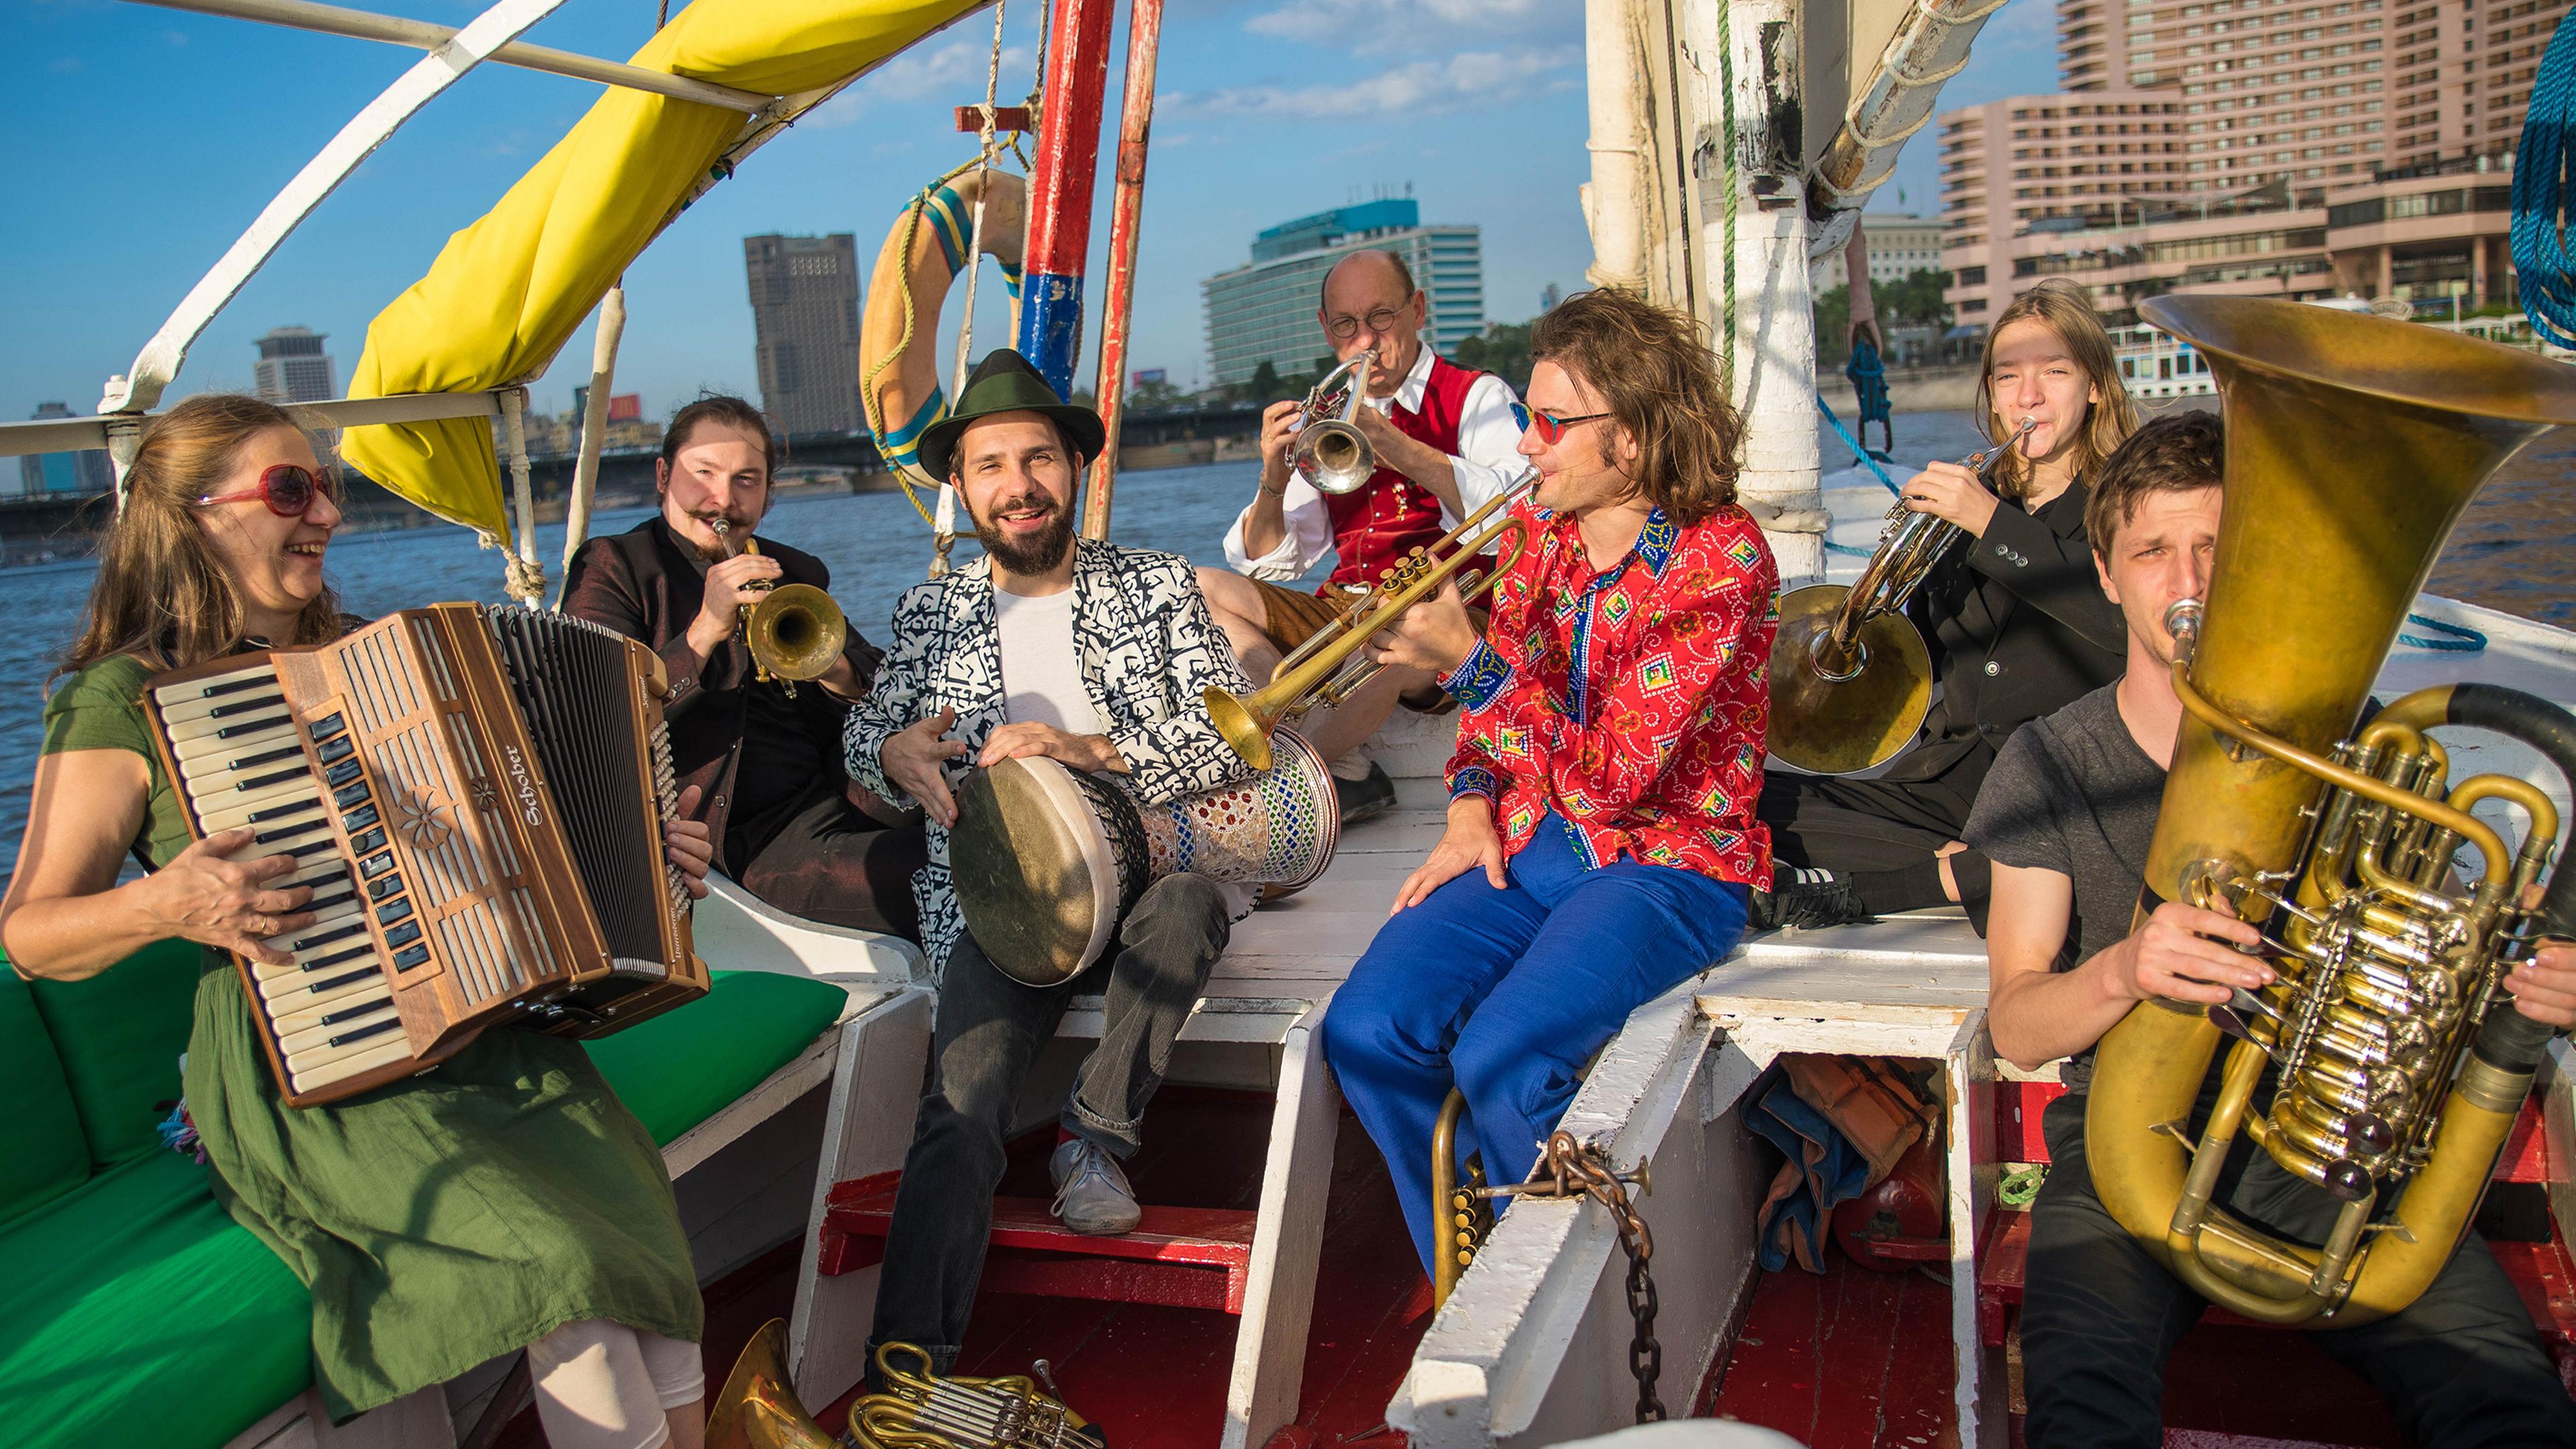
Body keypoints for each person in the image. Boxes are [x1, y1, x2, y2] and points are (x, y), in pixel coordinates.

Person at [0, 394, 723, 1448]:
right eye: (290, 488)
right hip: (312, 1060)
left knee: (645, 1241)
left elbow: (517, 845)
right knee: (569, 1270)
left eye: (328, 486)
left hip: (480, 1034)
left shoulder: (384, 657)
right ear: (192, 514)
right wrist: (166, 902)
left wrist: (646, 860)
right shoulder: (124, 696)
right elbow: (31, 933)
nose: (327, 512)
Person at [1966, 410, 2576, 1447]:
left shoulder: (2360, 751)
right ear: (2107, 576)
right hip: (2123, 1151)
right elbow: (2018, 1025)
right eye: (2153, 552)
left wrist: (2534, 984)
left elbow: (2438, 965)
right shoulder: (2050, 761)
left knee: (2511, 1408)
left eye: (2214, 547)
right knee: (2079, 1412)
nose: (2187, 579)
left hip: (2334, 1149)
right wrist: (2124, 970)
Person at [1320, 288, 1776, 1275]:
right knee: (1364, 1030)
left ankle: (1564, 1297)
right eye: (1529, 416)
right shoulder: (1540, 531)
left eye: (1553, 422)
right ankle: (1473, 1265)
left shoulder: (1720, 558)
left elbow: (1616, 778)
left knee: (1502, 1056)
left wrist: (1469, 662)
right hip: (1536, 840)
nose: (1527, 445)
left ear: (1640, 434)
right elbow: (1494, 731)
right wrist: (1471, 800)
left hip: (1672, 863)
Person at [845, 350, 1258, 1379]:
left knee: (1190, 905)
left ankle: (1095, 1134)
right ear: (964, 487)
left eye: (1036, 458)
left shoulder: (1155, 584)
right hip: (1004, 906)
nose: (1016, 485)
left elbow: (1227, 736)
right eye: (990, 466)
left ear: (1073, 467)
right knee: (961, 1107)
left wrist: (1085, 750)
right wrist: (893, 754)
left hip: (1149, 875)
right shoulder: (930, 613)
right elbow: (867, 739)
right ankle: (908, 1375)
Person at [1755, 276, 2141, 933]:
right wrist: (1901, 574)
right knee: (1743, 795)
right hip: (1948, 785)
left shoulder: (2129, 504)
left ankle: (1914, 882)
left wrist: (1991, 524)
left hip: (2064, 793)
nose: (2029, 396)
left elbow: (2125, 622)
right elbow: (1924, 666)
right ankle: (1975, 870)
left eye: (2055, 372)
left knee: (2080, 849)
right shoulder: (1974, 506)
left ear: (2096, 386)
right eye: (2008, 377)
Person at [564, 395, 925, 938]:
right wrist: (705, 630)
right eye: (703, 474)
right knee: (936, 874)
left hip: (845, 785)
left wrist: (835, 670)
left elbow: (879, 678)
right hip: (748, 834)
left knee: (977, 827)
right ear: (664, 475)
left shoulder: (792, 569)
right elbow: (594, 714)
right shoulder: (616, 567)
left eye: (746, 481)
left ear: (768, 495)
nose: (723, 501)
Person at [1197, 248, 1528, 823]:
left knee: (1402, 632)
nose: (1364, 341)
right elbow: (1270, 563)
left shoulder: (1479, 397)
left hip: (1450, 614)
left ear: (1417, 310)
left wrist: (1394, 441)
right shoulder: (1327, 414)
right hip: (1348, 610)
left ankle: (1284, 790)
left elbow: (1517, 516)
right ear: (1327, 330)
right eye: (1347, 325)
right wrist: (1274, 478)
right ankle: (1327, 760)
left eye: (1380, 317)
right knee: (1201, 586)